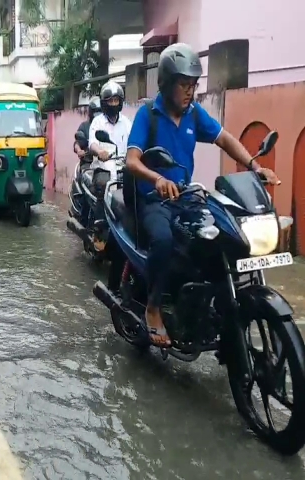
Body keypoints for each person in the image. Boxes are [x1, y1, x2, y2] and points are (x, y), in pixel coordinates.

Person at [125, 43, 280, 347]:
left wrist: (254, 165)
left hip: (186, 197)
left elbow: (224, 138)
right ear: (167, 84)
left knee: (220, 236)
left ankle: (215, 306)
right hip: (155, 200)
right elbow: (131, 160)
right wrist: (156, 179)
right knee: (164, 240)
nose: (190, 92)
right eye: (184, 85)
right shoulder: (148, 115)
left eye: (194, 85)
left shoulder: (195, 114)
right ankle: (154, 307)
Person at [88, 82, 132, 224]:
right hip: (103, 167)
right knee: (103, 185)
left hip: (123, 167)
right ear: (104, 103)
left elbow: (134, 142)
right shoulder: (97, 122)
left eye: (116, 100)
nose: (113, 104)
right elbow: (92, 143)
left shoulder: (126, 123)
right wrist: (100, 151)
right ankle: (100, 227)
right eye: (110, 101)